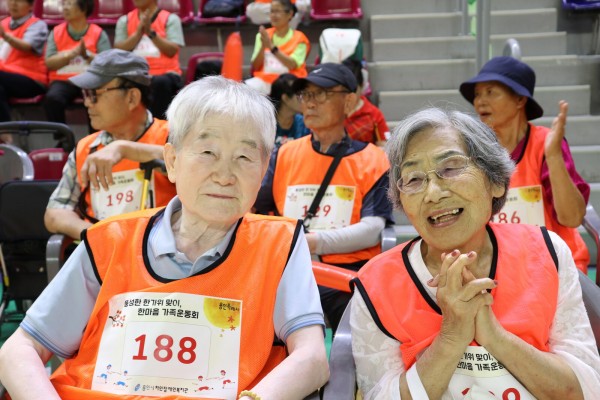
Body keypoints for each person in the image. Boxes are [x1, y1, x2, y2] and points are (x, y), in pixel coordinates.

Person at [0, 76, 329, 400]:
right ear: (171, 161)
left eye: (244, 157)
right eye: (208, 152)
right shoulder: (110, 240)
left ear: (263, 169)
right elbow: (22, 347)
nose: (225, 175)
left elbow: (312, 358)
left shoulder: (280, 243)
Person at [351, 107, 600, 399]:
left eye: (451, 168)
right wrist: (452, 336)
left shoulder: (546, 252)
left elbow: (585, 389)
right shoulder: (376, 285)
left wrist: (494, 336)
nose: (432, 193)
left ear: (495, 181)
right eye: (414, 179)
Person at [255, 63, 394, 332]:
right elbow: (259, 212)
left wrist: (309, 243)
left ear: (350, 101)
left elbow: (373, 230)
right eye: (306, 95)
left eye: (322, 94)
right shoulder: (283, 154)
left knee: (356, 325)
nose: (311, 104)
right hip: (289, 270)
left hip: (348, 274)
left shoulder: (374, 160)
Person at [459, 56, 591, 273]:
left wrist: (554, 156)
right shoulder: (475, 150)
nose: (480, 101)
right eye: (477, 94)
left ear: (520, 100)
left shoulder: (546, 144)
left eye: (491, 92)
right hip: (498, 265)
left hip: (555, 263)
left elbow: (572, 217)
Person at [44, 49, 176, 241]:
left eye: (94, 94)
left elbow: (195, 171)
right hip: (103, 260)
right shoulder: (85, 148)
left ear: (132, 98)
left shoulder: (173, 136)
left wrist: (127, 149)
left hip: (162, 259)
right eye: (85, 94)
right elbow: (55, 213)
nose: (87, 103)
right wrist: (98, 236)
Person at [43, 0, 111, 125]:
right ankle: (62, 138)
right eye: (64, 4)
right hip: (63, 81)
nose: (65, 8)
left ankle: (97, 138)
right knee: (53, 98)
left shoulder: (98, 33)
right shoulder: (56, 32)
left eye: (69, 4)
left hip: (90, 79)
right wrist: (72, 54)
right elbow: (49, 63)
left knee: (97, 97)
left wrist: (86, 55)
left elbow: (106, 63)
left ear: (83, 8)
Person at [114, 0, 184, 119]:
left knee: (160, 83)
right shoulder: (124, 20)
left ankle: (159, 127)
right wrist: (138, 34)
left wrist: (150, 33)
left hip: (166, 74)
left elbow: (172, 50)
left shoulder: (170, 19)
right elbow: (120, 51)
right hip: (135, 74)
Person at [246, 0, 310, 95]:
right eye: (271, 11)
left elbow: (292, 64)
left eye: (277, 11)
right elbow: (256, 66)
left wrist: (271, 47)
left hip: (290, 82)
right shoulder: (262, 35)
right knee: (244, 89)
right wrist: (263, 46)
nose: (273, 15)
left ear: (290, 14)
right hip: (265, 80)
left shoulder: (300, 38)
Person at [0, 0, 48, 122]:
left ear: (31, 6)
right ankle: (5, 134)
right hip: (6, 78)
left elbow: (27, 46)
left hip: (31, 80)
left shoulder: (37, 25)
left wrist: (6, 36)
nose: (13, 4)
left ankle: (5, 132)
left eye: (19, 1)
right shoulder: (3, 23)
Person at [342, 59, 389, 146]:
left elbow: (384, 147)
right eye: (344, 92)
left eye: (353, 92)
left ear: (362, 86)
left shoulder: (374, 114)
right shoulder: (331, 111)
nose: (348, 97)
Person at [269, 72, 309, 147]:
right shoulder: (265, 124)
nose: (304, 99)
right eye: (299, 95)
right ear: (285, 98)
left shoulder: (305, 124)